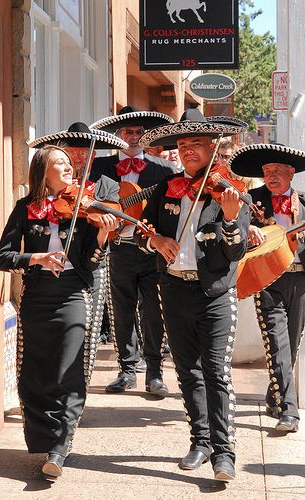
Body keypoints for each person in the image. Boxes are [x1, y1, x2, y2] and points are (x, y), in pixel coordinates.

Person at [136, 109, 250, 481]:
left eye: (195, 144)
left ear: (213, 149)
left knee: (216, 371)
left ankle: (224, 452)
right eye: (182, 144)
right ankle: (200, 441)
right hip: (173, 288)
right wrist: (156, 239)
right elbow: (140, 233)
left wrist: (231, 220)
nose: (187, 150)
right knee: (188, 371)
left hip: (215, 293)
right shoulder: (166, 188)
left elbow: (236, 252)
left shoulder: (231, 190)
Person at [0, 145, 119, 479]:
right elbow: (3, 256)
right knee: (36, 374)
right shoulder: (25, 208)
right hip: (36, 298)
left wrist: (103, 235)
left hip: (71, 296)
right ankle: (44, 441)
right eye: (60, 162)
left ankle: (59, 448)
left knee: (69, 370)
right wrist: (34, 259)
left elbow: (92, 260)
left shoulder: (82, 206)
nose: (69, 167)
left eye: (68, 162)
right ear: (43, 171)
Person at [229, 143, 305, 432]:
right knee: (277, 342)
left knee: (291, 343)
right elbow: (237, 236)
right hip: (267, 278)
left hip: (301, 279)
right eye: (266, 171)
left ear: (291, 173)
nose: (271, 176)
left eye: (277, 171)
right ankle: (290, 410)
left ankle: (275, 396)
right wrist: (248, 232)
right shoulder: (252, 200)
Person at [89, 106, 175, 397]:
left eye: (140, 132)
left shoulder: (164, 169)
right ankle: (126, 370)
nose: (135, 136)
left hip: (152, 251)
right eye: (129, 132)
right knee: (122, 312)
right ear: (118, 135)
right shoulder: (99, 167)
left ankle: (155, 373)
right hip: (118, 248)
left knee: (154, 312)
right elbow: (91, 204)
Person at [27, 122, 128, 345]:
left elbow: (115, 223)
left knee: (88, 332)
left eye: (86, 155)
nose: (80, 160)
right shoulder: (54, 185)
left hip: (93, 262)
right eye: (74, 155)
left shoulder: (105, 185)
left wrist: (106, 224)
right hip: (57, 264)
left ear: (93, 158)